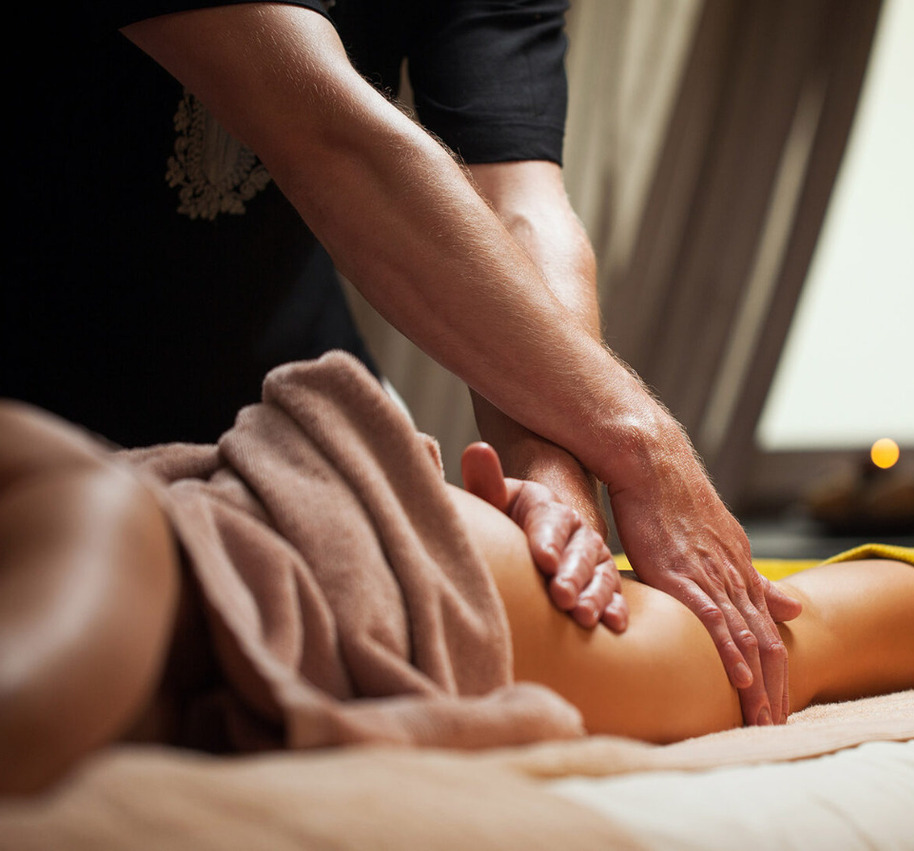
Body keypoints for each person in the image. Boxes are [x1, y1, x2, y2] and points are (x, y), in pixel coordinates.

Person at [4, 0, 799, 727]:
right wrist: (640, 442)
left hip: (295, 422)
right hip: (42, 425)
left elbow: (521, 209)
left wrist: (562, 495)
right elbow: (326, 134)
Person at [0, 395, 914, 796]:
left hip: (349, 554)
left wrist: (590, 456)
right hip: (304, 532)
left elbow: (514, 199)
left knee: (784, 640)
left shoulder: (79, 516)